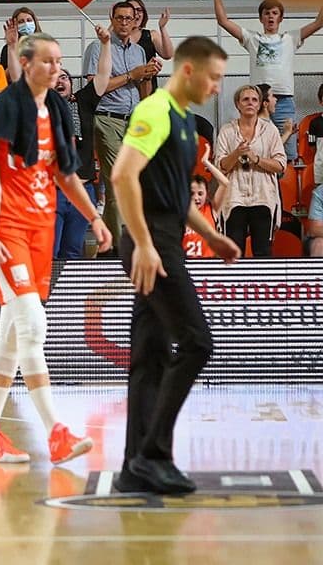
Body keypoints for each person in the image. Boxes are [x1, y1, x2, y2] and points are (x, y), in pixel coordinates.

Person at [0, 33, 109, 464]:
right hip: (3, 225)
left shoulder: (58, 110)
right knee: (32, 323)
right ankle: (56, 432)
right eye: (47, 61)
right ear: (25, 64)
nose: (56, 68)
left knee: (12, 328)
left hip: (40, 228)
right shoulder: (0, 106)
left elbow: (67, 175)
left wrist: (95, 216)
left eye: (59, 61)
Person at [111, 36, 240, 494]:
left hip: (164, 237)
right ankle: (154, 455)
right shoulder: (155, 111)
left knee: (148, 355)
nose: (217, 88)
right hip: (152, 242)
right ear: (188, 70)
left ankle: (134, 467)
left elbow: (177, 195)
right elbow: (122, 175)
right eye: (214, 77)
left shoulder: (187, 123)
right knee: (196, 341)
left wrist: (210, 234)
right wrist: (143, 243)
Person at [211, 0, 323, 162]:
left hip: (284, 100)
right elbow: (223, 21)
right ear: (261, 18)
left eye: (274, 13)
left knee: (286, 153)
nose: (270, 17)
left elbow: (318, 22)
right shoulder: (252, 38)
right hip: (259, 100)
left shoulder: (290, 38)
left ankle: (282, 189)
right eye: (267, 13)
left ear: (281, 18)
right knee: (259, 147)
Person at [82, 2, 163, 242]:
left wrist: (148, 76)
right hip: (107, 119)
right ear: (112, 19)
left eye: (129, 18)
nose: (125, 22)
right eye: (120, 18)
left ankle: (110, 244)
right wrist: (132, 75)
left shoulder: (139, 51)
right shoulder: (97, 48)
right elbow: (95, 88)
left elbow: (143, 94)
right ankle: (122, 247)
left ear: (136, 21)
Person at [213, 84, 287, 257]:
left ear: (260, 103)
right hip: (233, 197)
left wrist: (257, 159)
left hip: (263, 196)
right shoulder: (227, 130)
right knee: (233, 252)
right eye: (245, 99)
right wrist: (237, 153)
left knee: (263, 251)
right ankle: (232, 284)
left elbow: (281, 164)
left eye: (254, 100)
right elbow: (220, 167)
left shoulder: (270, 130)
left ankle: (264, 284)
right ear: (237, 104)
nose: (250, 103)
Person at [52, 69, 97, 258]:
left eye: (64, 78)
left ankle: (66, 289)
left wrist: (105, 45)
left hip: (83, 191)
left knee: (73, 253)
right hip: (54, 192)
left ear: (71, 84)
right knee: (49, 252)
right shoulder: (40, 112)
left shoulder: (83, 104)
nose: (59, 82)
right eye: (54, 79)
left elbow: (101, 78)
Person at [183, 174, 221, 257]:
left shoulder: (211, 210)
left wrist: (206, 162)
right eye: (192, 193)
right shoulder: (180, 213)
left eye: (200, 194)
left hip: (207, 264)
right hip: (184, 264)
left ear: (206, 194)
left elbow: (225, 183)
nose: (196, 198)